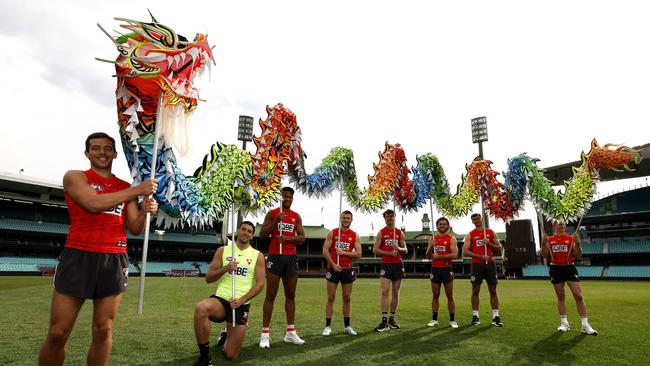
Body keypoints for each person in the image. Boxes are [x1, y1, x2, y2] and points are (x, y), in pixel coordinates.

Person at [39, 132, 158, 366]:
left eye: (107, 148)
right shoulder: (75, 177)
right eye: (96, 148)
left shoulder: (124, 186)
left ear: (114, 153)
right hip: (78, 255)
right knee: (58, 332)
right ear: (87, 153)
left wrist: (145, 210)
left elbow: (134, 228)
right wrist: (137, 190)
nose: (102, 152)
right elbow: (92, 204)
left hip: (114, 258)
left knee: (103, 330)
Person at [193, 221, 266, 365]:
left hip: (240, 304)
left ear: (252, 236)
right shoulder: (223, 250)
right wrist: (225, 269)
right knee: (201, 308)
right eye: (243, 229)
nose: (246, 232)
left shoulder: (257, 256)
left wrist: (242, 300)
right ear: (238, 231)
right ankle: (205, 357)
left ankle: (226, 335)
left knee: (231, 355)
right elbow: (208, 278)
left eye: (249, 231)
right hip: (221, 300)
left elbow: (260, 284)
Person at [258, 187, 306, 348]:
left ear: (292, 199)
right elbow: (263, 233)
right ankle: (265, 334)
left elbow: (302, 237)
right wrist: (275, 222)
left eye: (290, 197)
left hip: (290, 258)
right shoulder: (272, 213)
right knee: (270, 294)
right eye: (284, 196)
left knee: (290, 295)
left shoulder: (296, 216)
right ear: (280, 198)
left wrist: (286, 238)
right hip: (275, 256)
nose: (287, 199)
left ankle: (290, 332)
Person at [540, 221, 598, 335]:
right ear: (554, 225)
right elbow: (544, 255)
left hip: (569, 267)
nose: (563, 226)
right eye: (560, 224)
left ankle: (585, 325)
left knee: (578, 296)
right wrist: (543, 244)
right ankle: (564, 323)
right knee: (561, 296)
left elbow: (578, 255)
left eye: (563, 224)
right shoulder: (549, 239)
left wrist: (578, 244)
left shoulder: (571, 238)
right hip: (555, 268)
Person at [322, 210, 362, 336]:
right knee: (331, 297)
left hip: (347, 269)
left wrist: (344, 253)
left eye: (348, 218)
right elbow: (325, 250)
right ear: (340, 218)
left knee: (347, 297)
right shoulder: (333, 233)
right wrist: (333, 264)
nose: (346, 220)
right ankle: (328, 326)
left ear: (351, 220)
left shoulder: (354, 235)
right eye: (344, 218)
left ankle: (347, 326)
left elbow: (359, 254)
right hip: (333, 268)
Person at [462, 213, 503, 327]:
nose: (477, 221)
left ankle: (496, 317)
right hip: (477, 264)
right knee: (475, 290)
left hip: (489, 264)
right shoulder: (470, 234)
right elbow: (465, 251)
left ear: (482, 219)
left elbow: (499, 248)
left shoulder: (490, 232)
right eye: (474, 219)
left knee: (493, 291)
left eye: (478, 218)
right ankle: (475, 316)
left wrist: (488, 243)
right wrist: (480, 256)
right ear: (472, 222)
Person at [373, 209, 408, 332]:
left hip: (398, 264)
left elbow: (406, 250)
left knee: (395, 292)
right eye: (387, 216)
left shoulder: (399, 233)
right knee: (384, 291)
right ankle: (383, 320)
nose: (389, 218)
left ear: (394, 217)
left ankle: (392, 319)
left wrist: (398, 248)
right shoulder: (381, 233)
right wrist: (388, 252)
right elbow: (375, 250)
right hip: (386, 265)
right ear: (384, 218)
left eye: (391, 216)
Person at [425, 217, 459, 329]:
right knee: (435, 295)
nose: (442, 225)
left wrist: (440, 256)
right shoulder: (432, 238)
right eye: (440, 224)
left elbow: (455, 255)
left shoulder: (451, 239)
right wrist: (431, 245)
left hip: (446, 269)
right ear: (437, 226)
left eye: (444, 224)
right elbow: (428, 255)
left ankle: (452, 320)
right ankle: (434, 319)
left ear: (448, 226)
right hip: (435, 269)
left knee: (450, 295)